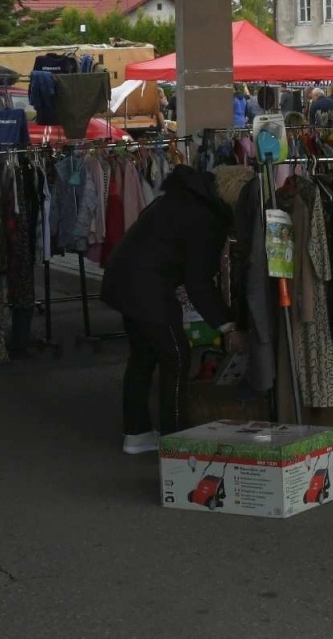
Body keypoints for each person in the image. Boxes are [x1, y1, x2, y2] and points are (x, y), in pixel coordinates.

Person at [102, 165, 242, 454]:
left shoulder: (181, 197)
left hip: (123, 277)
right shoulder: (207, 218)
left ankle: (137, 433)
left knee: (143, 356)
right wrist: (229, 325)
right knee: (176, 356)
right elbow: (199, 282)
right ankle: (175, 440)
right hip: (147, 285)